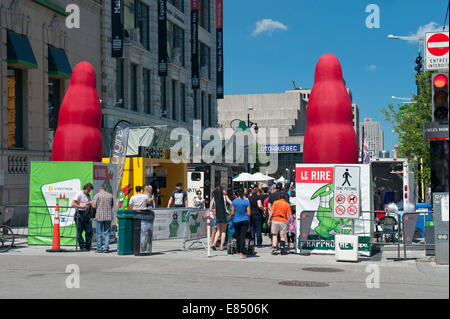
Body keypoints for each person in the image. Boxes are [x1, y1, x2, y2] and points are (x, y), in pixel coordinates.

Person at [228, 189, 250, 258]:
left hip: (236, 220)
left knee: (238, 237)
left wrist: (230, 217)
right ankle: (242, 252)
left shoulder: (234, 202)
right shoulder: (246, 202)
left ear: (237, 193)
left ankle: (238, 252)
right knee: (243, 236)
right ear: (243, 193)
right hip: (244, 220)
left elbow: (233, 213)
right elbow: (249, 213)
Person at [72, 183, 94, 251]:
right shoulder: (79, 194)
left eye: (90, 191)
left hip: (86, 214)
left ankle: (88, 245)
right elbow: (73, 203)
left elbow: (86, 203)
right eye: (88, 190)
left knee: (89, 230)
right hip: (79, 213)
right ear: (85, 188)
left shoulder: (88, 195)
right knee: (79, 231)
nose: (89, 192)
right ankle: (81, 245)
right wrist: (81, 206)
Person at [91, 187, 114, 253]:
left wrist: (91, 203)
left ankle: (99, 248)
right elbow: (112, 206)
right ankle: (106, 248)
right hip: (108, 216)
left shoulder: (97, 195)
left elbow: (94, 206)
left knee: (99, 233)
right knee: (107, 233)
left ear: (99, 190)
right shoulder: (110, 195)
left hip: (99, 216)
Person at [209, 185, 230, 251]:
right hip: (224, 214)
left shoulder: (214, 198)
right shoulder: (224, 196)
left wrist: (214, 211)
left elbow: (210, 208)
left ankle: (214, 244)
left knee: (218, 231)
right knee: (223, 231)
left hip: (217, 215)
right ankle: (221, 246)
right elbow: (231, 202)